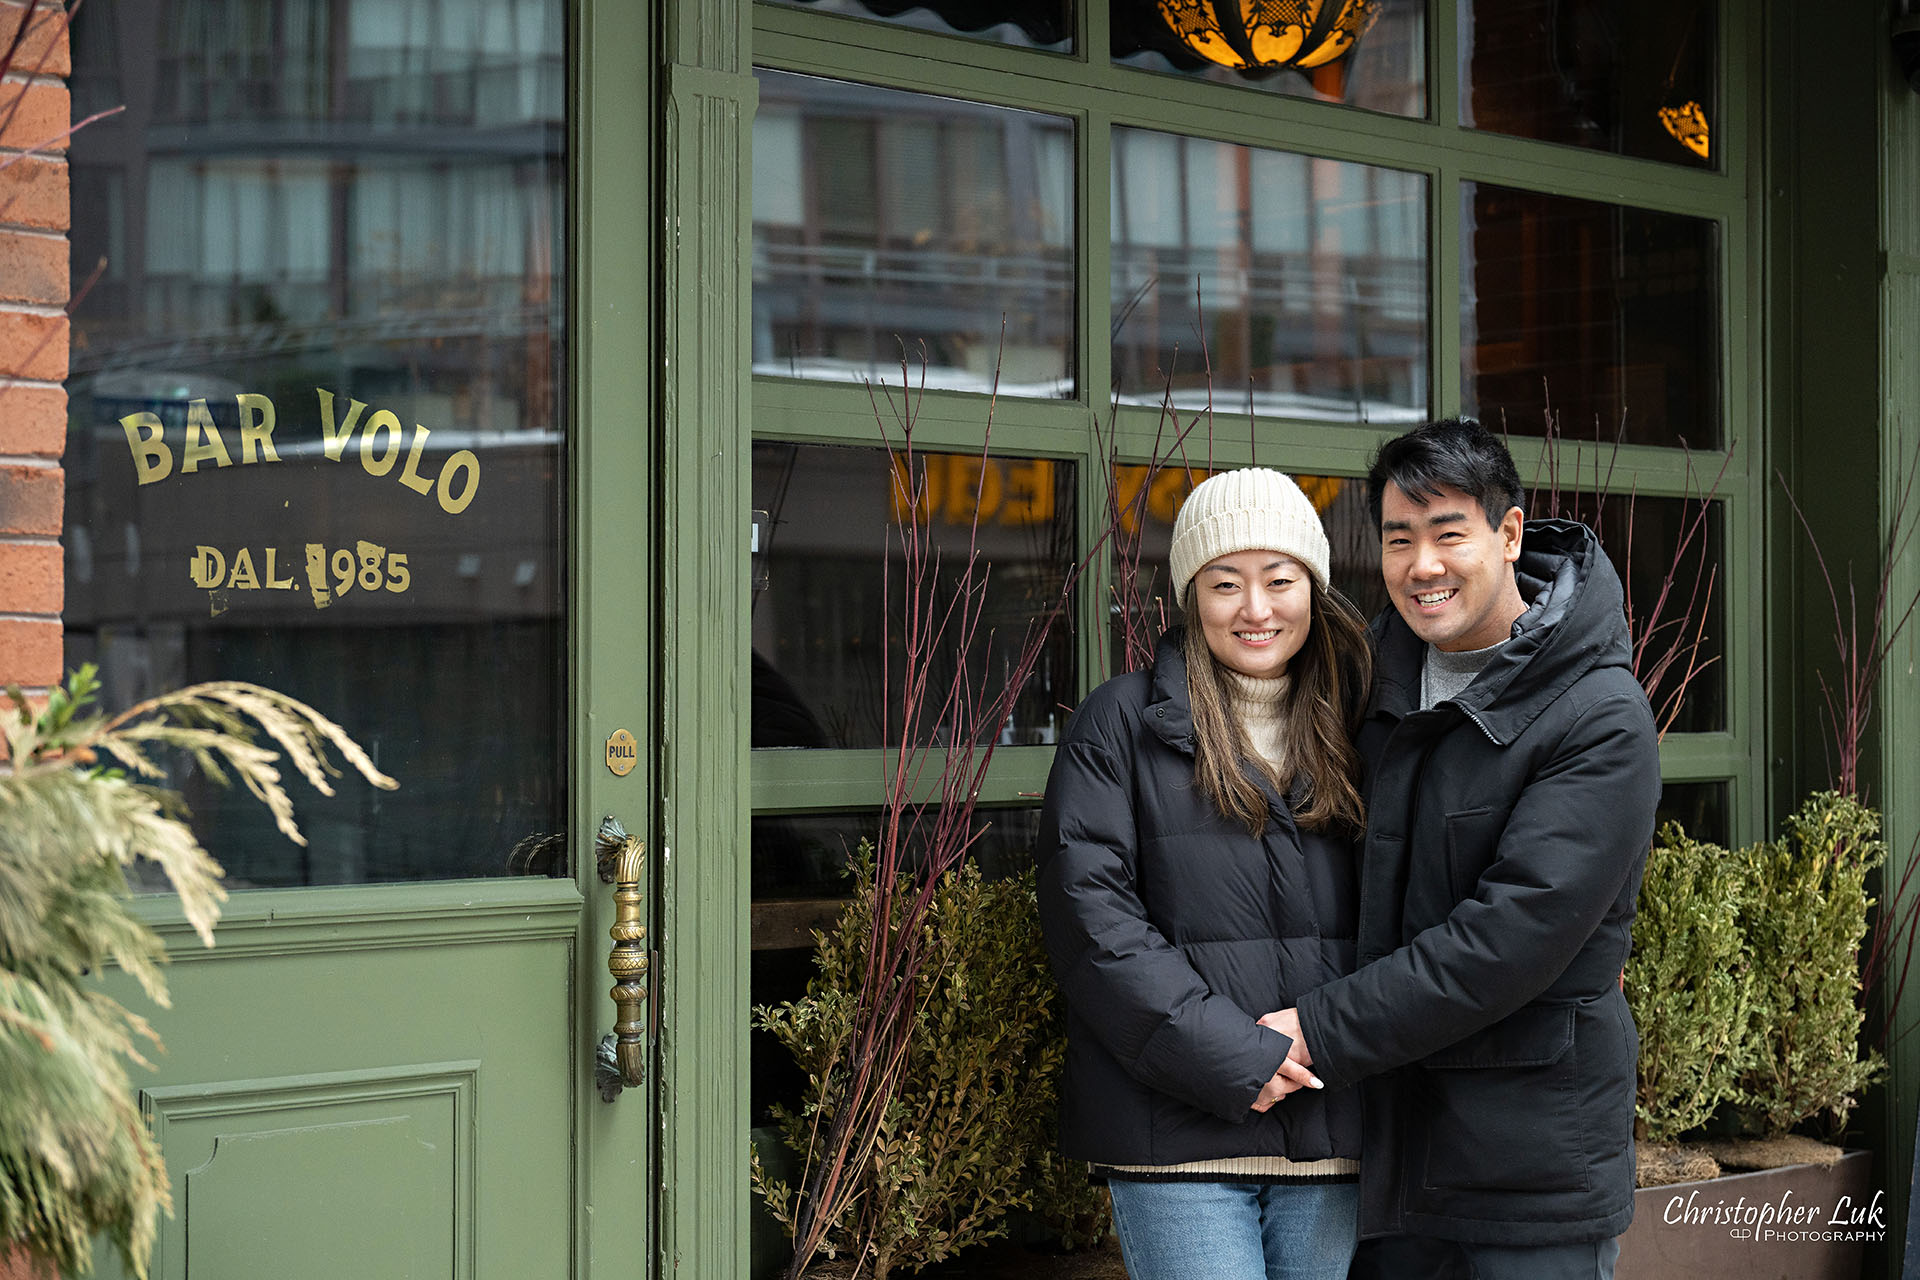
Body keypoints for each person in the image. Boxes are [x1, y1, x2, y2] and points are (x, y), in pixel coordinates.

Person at [1262, 420, 1662, 1280]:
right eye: (1399, 539)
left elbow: (1508, 941)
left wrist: (1314, 1032)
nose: (1422, 566)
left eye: (1449, 534)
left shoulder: (1599, 715)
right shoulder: (1369, 678)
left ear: (1509, 534)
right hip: (1385, 1167)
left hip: (1530, 1179)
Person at [1036, 467, 1374, 1280]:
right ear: (1192, 596)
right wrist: (1232, 1055)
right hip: (1175, 1130)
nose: (1255, 610)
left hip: (1335, 1126)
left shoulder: (1366, 724)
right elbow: (1092, 920)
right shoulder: (1119, 722)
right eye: (1226, 583)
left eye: (1279, 580)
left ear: (1314, 590)